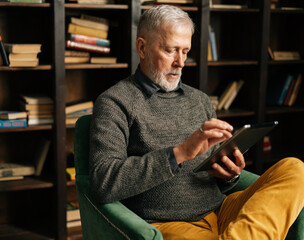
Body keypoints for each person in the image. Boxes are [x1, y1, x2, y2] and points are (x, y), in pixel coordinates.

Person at [89, 4, 304, 239]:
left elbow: (215, 180)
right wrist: (179, 153)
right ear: (142, 47)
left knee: (295, 169)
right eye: (171, 50)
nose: (180, 62)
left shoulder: (199, 100)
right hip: (168, 223)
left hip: (221, 210)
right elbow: (104, 181)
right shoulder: (114, 102)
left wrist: (229, 174)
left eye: (185, 51)